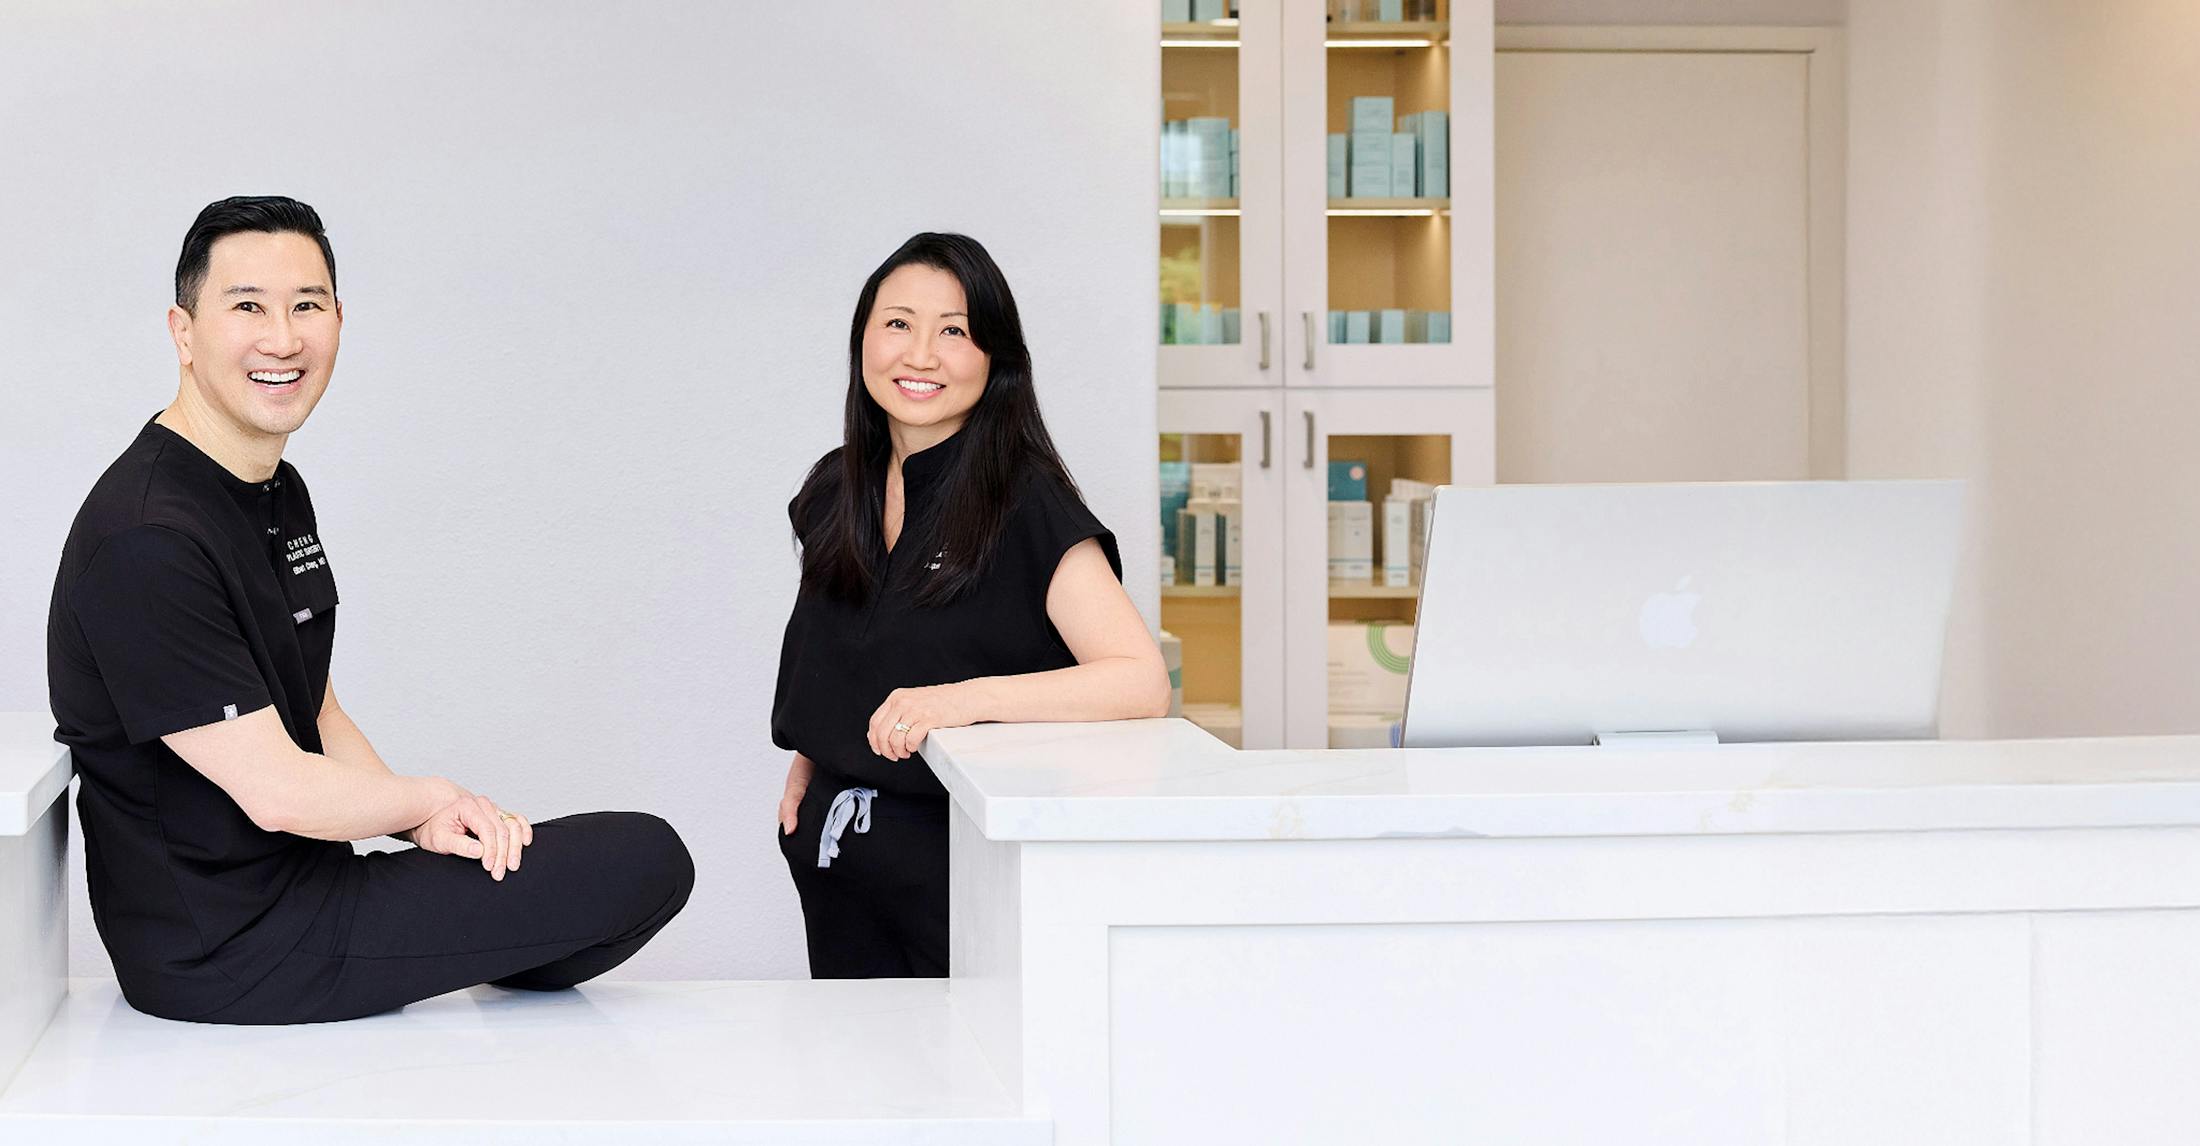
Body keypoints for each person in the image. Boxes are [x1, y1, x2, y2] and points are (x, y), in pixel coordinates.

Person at [46, 196, 694, 1024]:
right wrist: (425, 800)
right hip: (229, 950)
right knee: (647, 860)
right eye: (247, 306)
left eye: (306, 306)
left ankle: (472, 942)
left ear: (338, 321)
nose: (282, 338)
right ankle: (474, 944)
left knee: (596, 866)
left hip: (310, 892)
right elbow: (276, 792)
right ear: (183, 331)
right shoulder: (147, 537)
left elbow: (314, 704)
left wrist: (416, 830)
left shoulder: (274, 489)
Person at [771, 232, 1171, 978]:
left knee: (963, 1088)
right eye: (898, 324)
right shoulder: (836, 488)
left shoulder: (1025, 500)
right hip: (838, 864)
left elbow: (1140, 680)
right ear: (863, 340)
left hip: (963, 877)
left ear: (995, 359)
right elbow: (850, 643)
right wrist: (818, 750)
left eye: (953, 331)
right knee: (859, 1082)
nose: (920, 355)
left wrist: (956, 703)